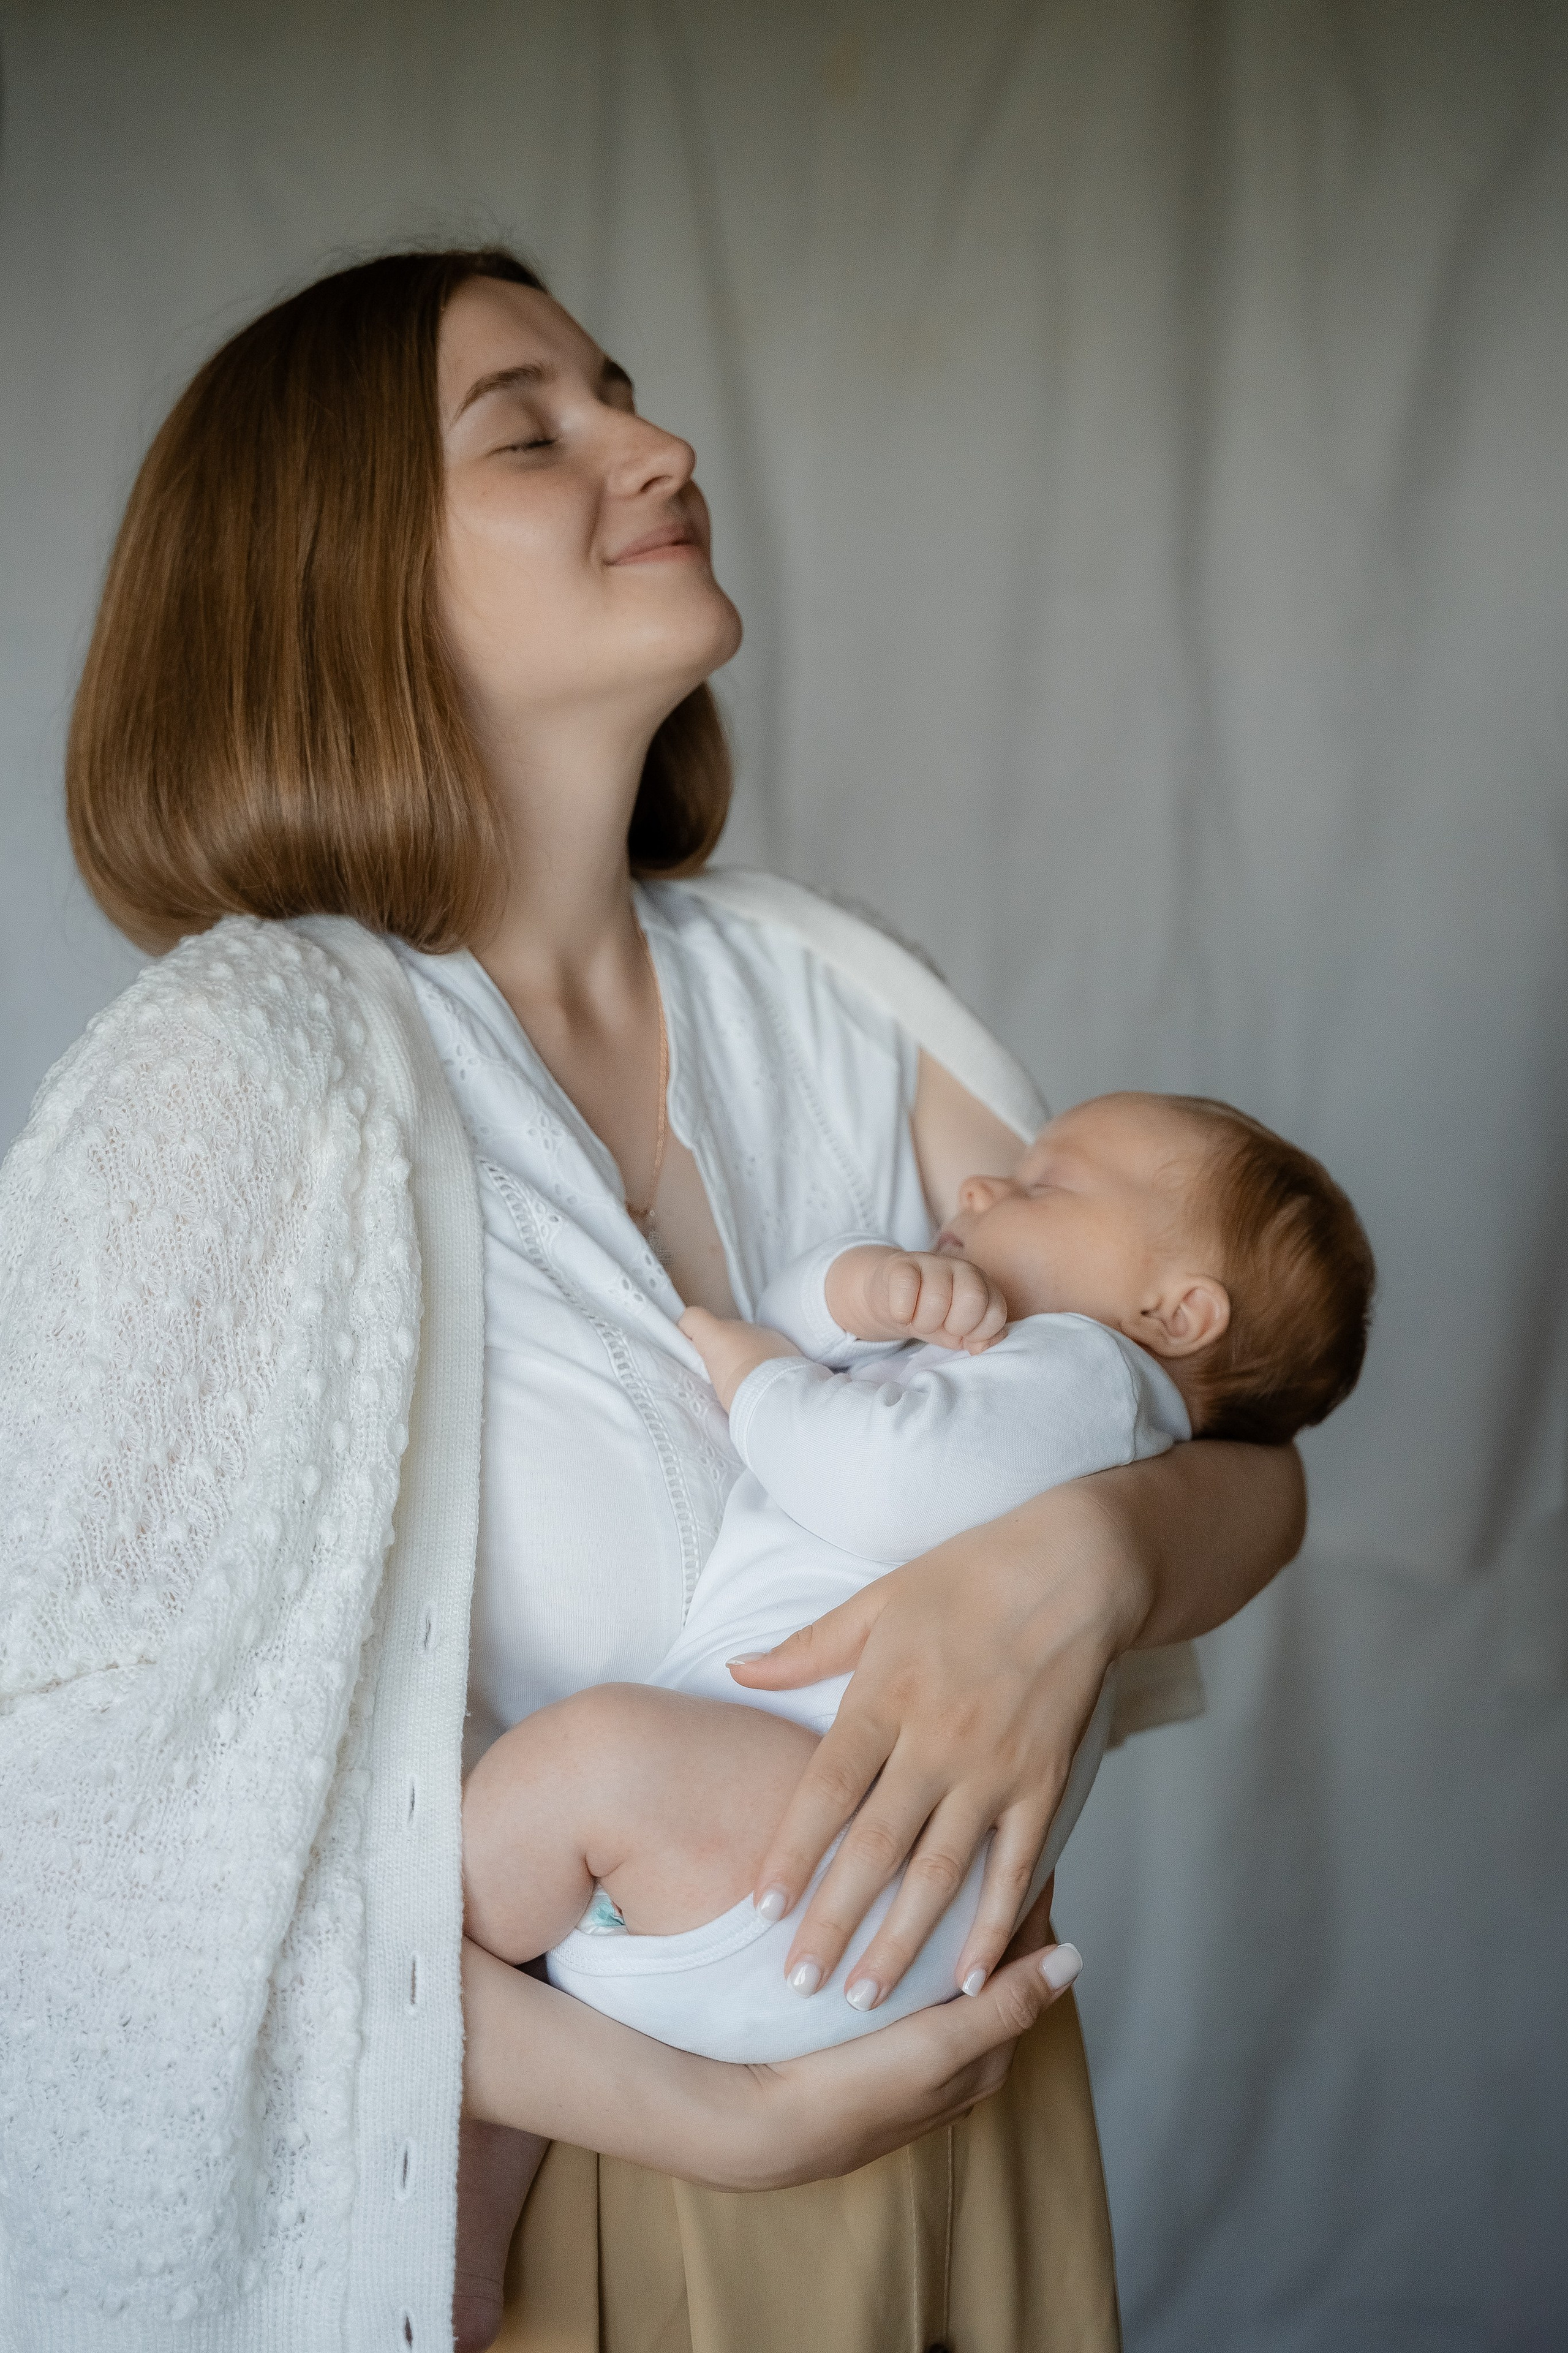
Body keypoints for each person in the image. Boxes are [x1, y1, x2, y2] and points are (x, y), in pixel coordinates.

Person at [0, 247, 1306, 2353]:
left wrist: (1081, 1558)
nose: (659, 444)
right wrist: (718, 2126)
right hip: (521, 2210)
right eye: (530, 430)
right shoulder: (243, 1081)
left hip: (961, 2135)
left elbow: (1232, 1444)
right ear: (328, 585)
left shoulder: (831, 989)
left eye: (620, 388)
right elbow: (90, 1864)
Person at [463, 1093, 1372, 2079]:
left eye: (1042, 1184)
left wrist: (762, 1378)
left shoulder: (1092, 1376)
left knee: (581, 1767)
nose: (983, 1185)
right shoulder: (1016, 1375)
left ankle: (405, 1958)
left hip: (807, 1855)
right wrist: (856, 1292)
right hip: (792, 1878)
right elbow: (799, 1333)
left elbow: (878, 1480)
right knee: (577, 1804)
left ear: (1173, 1312)